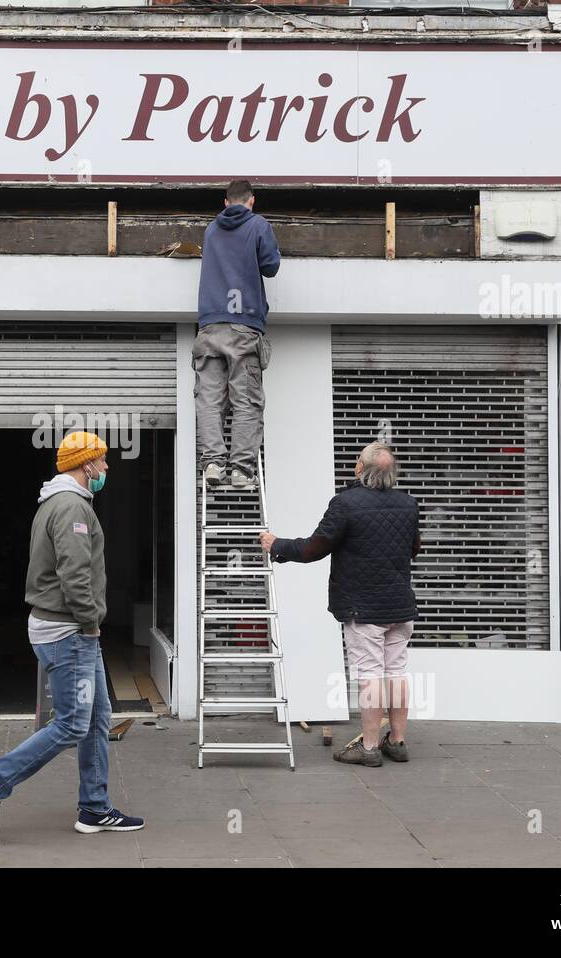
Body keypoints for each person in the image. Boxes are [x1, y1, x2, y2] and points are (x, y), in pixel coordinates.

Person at [0, 431, 144, 839]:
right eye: (102, 460)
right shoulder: (71, 507)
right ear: (86, 465)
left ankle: (95, 808)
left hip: (68, 629)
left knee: (97, 718)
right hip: (69, 631)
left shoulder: (62, 502)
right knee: (71, 724)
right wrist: (90, 622)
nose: (107, 467)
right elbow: (74, 573)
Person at [259, 442, 421, 767]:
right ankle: (398, 741)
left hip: (364, 607)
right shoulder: (409, 504)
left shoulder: (346, 503)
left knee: (371, 675)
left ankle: (371, 746)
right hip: (401, 605)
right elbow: (413, 549)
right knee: (397, 672)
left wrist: (278, 545)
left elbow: (314, 549)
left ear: (361, 470)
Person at [194, 179, 281, 489]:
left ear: (226, 202)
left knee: (209, 400)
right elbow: (270, 266)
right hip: (244, 325)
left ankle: (213, 463)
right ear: (252, 201)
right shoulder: (258, 225)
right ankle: (242, 470)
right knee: (245, 400)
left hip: (209, 327)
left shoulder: (211, 229)